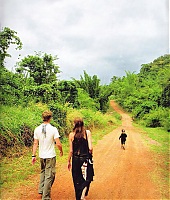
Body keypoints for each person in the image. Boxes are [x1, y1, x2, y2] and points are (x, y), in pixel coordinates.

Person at [32, 110, 63, 200]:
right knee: (50, 175)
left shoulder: (37, 129)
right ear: (50, 118)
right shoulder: (53, 129)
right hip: (50, 156)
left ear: (43, 118)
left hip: (41, 155)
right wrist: (61, 151)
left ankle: (41, 190)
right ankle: (46, 197)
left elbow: (35, 143)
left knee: (43, 172)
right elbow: (58, 143)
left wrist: (33, 155)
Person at [68, 117, 94, 200]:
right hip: (85, 159)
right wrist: (90, 156)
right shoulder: (87, 133)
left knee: (76, 178)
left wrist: (69, 161)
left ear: (74, 125)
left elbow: (71, 151)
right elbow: (90, 148)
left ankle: (78, 197)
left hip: (75, 159)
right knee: (87, 177)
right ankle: (83, 195)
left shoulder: (71, 135)